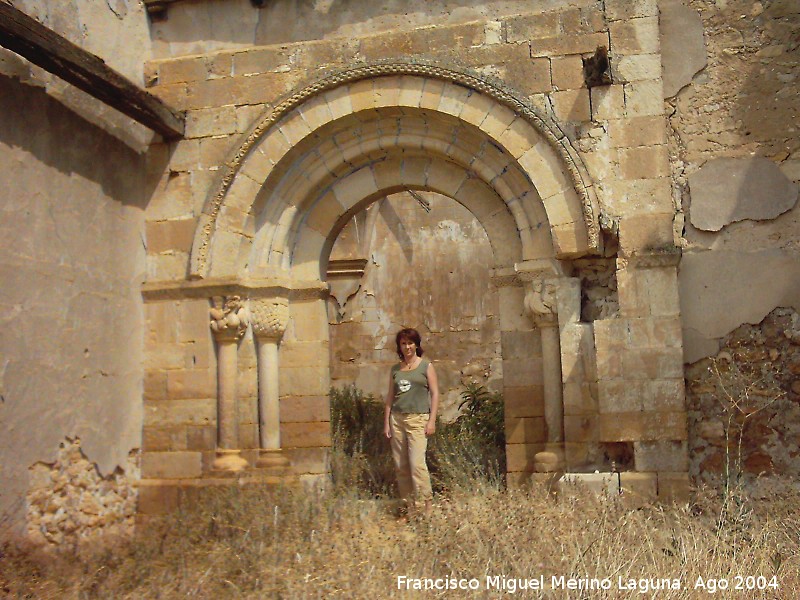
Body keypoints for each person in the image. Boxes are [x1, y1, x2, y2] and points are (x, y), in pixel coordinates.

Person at [384, 327, 439, 518]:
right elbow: (390, 397)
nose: (407, 347)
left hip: (418, 419)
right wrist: (386, 423)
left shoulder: (426, 366)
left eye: (410, 343)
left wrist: (432, 420)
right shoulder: (395, 369)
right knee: (401, 466)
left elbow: (435, 393)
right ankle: (410, 508)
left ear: (416, 344)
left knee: (417, 464)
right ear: (399, 346)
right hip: (397, 419)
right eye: (403, 343)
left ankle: (427, 507)